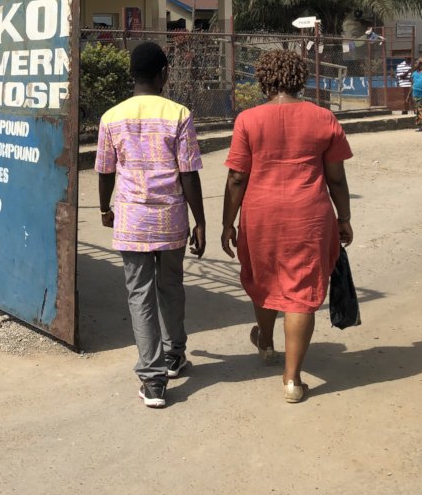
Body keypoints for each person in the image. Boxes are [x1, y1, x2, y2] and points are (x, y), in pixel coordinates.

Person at [221, 50, 353, 403]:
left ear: (264, 80)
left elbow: (237, 178)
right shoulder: (323, 118)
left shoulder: (248, 120)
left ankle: (265, 343)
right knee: (301, 292)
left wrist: (226, 224)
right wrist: (344, 218)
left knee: (264, 278)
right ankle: (292, 381)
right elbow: (336, 179)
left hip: (260, 215)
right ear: (300, 79)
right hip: (309, 216)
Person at [95, 42, 206, 409]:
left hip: (131, 220)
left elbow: (105, 171)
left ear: (131, 75)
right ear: (163, 74)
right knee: (171, 286)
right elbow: (188, 173)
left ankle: (153, 380)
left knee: (139, 294)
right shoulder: (178, 114)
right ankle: (175, 355)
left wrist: (103, 209)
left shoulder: (111, 117)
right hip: (170, 218)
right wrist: (200, 221)